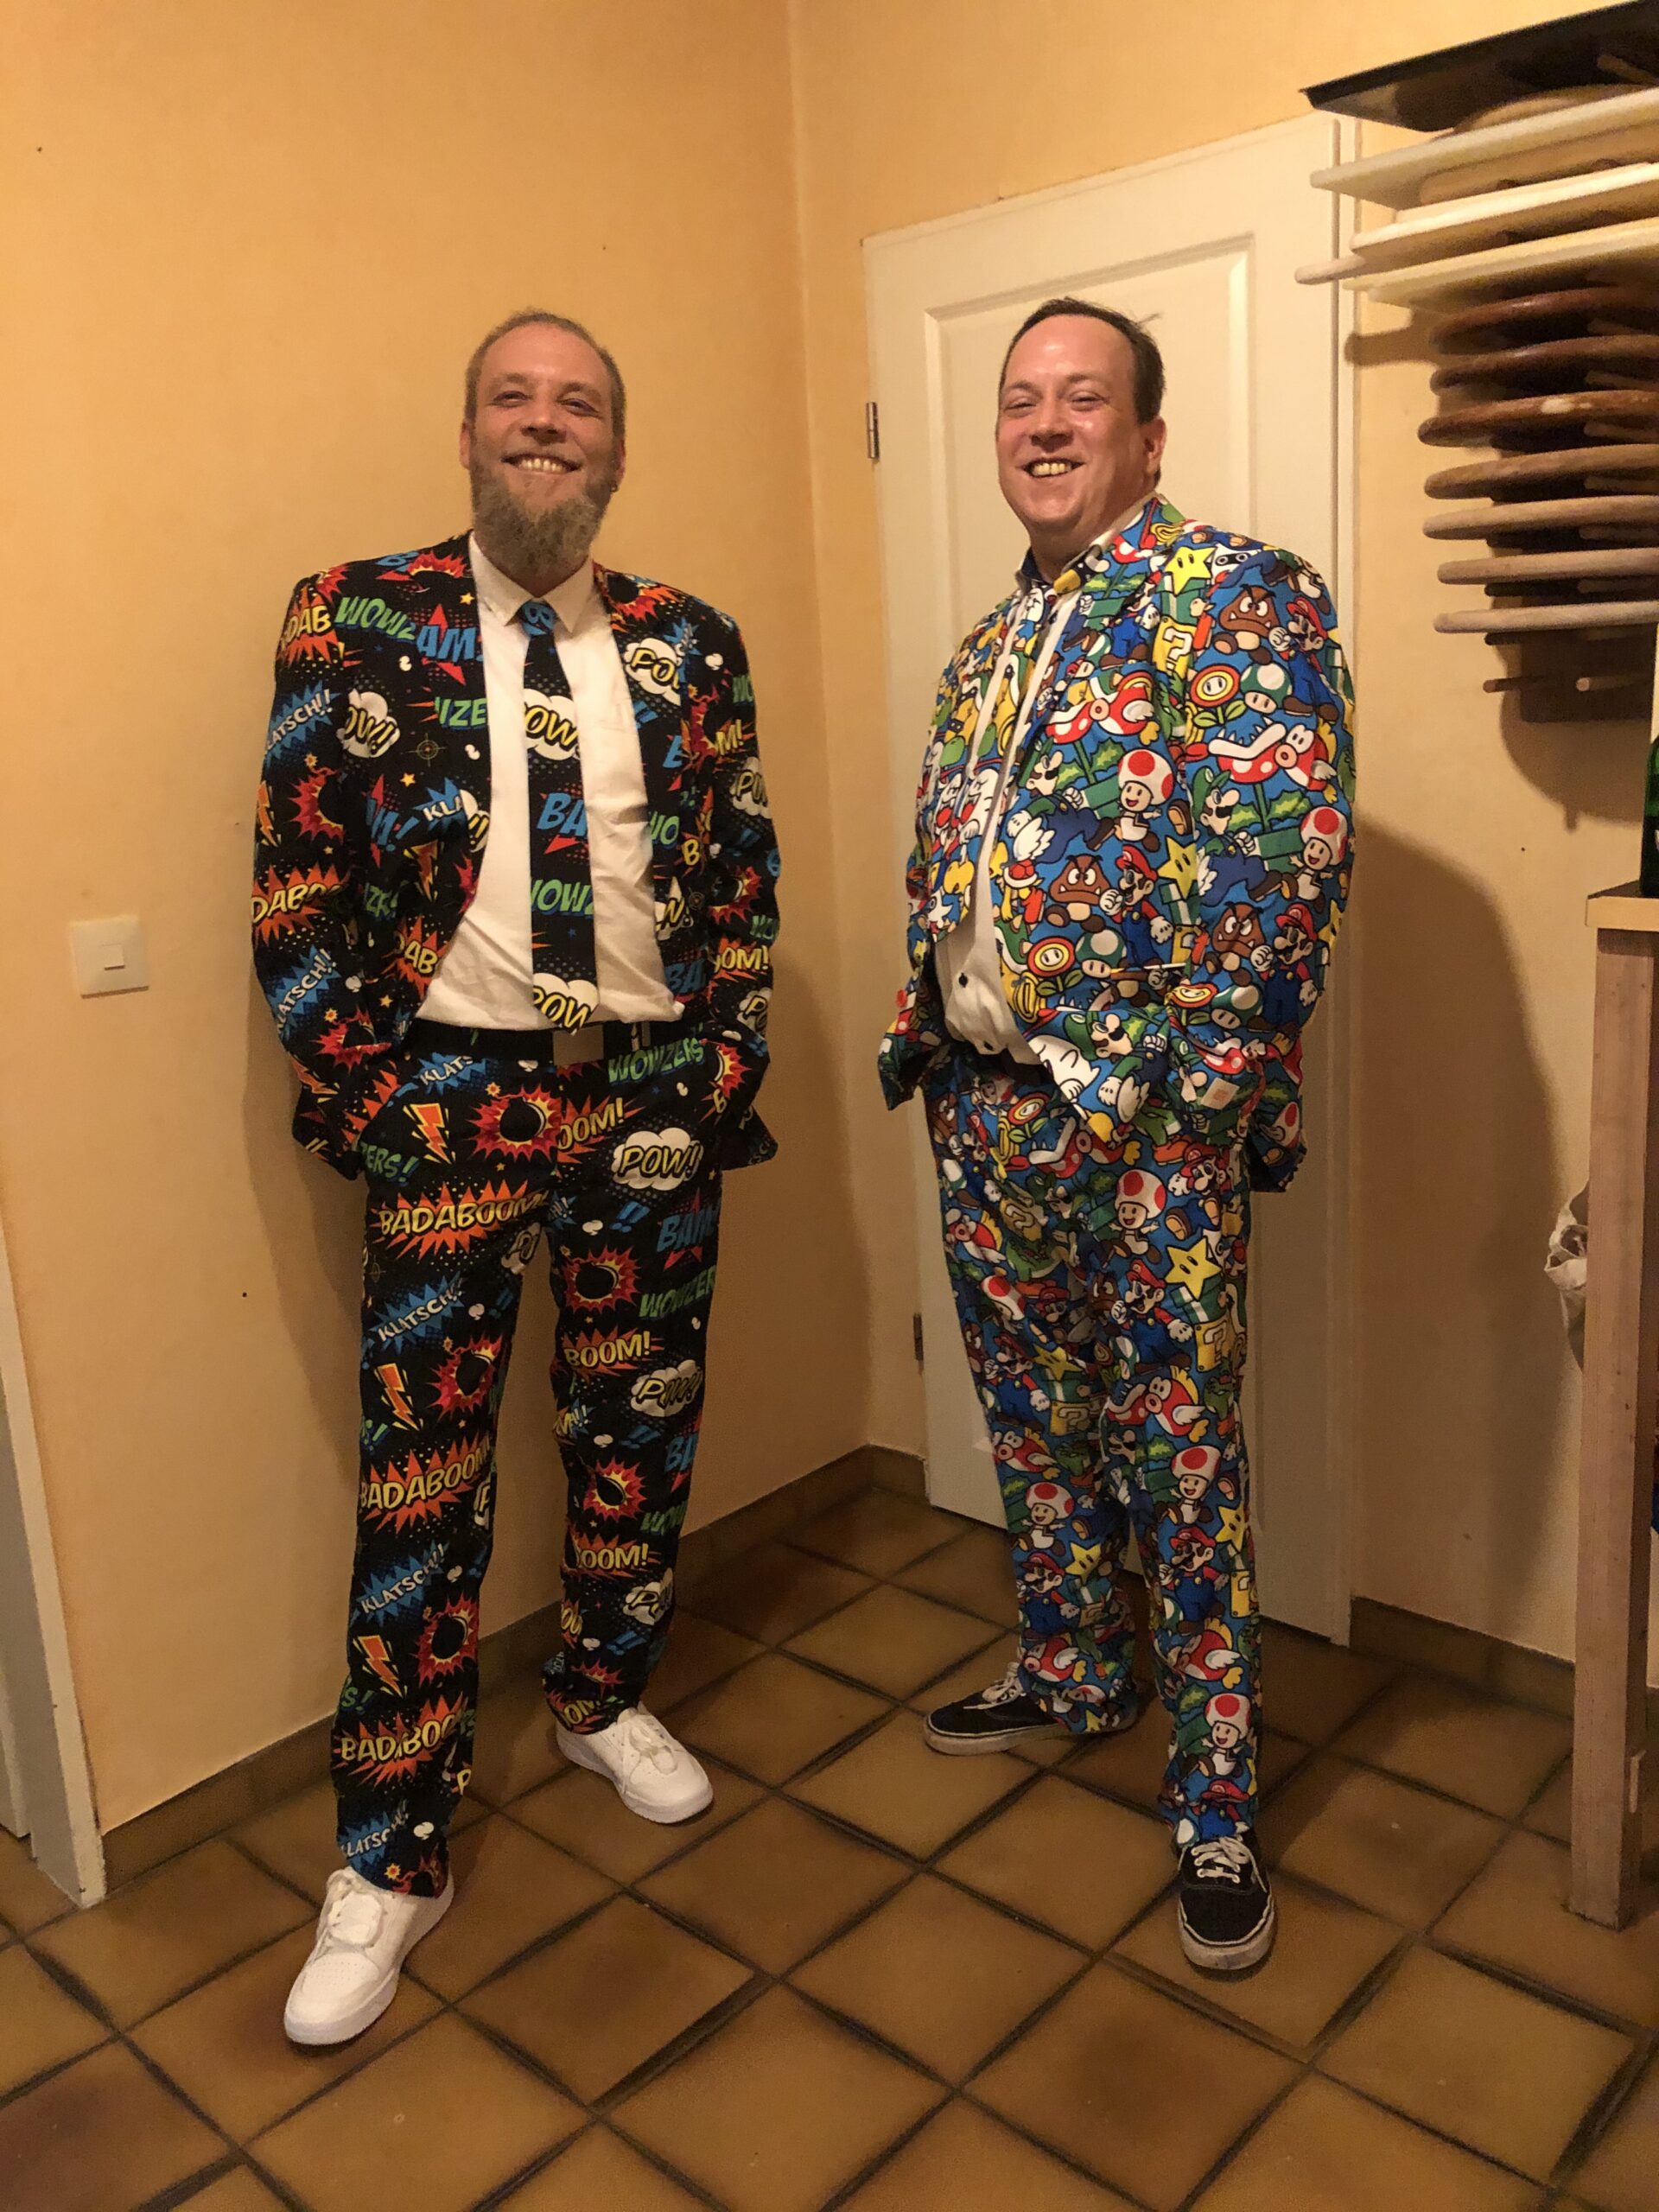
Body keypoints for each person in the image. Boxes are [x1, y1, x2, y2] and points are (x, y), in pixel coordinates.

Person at [252, 309, 779, 2042]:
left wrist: (720, 1064)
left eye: (581, 405)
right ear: (468, 433)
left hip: (646, 1094)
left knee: (641, 1428)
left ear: (616, 448)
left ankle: (601, 1693)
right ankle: (390, 1853)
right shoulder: (353, 618)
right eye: (515, 399)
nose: (547, 425)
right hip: (451, 1101)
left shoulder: (693, 643)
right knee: (424, 1484)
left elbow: (741, 874)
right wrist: (369, 1099)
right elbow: (293, 886)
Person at [880, 296, 1353, 1974]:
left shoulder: (1232, 592)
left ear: (1148, 437)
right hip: (984, 1107)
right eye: (1022, 399)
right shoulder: (986, 651)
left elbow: (1285, 862)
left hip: (1146, 1126)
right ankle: (1076, 1664)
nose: (1045, 423)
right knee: (1033, 1421)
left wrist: (1196, 1112)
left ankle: (1214, 1798)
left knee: (1180, 1453)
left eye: (1083, 398)